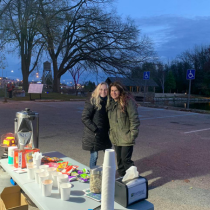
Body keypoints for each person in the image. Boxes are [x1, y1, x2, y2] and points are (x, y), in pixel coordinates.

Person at [107, 81, 140, 177]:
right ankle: (122, 179)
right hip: (116, 138)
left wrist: (132, 135)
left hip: (126, 137)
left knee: (126, 160)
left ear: (120, 91)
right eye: (112, 91)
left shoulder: (128, 102)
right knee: (120, 161)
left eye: (116, 90)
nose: (113, 93)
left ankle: (134, 180)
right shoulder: (112, 103)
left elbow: (134, 119)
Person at [81, 82, 112, 169]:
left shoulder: (108, 101)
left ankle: (107, 174)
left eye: (105, 89)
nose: (103, 91)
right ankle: (93, 175)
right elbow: (85, 118)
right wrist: (95, 129)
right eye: (101, 89)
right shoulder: (92, 101)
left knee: (108, 155)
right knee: (94, 156)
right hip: (94, 135)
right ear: (97, 90)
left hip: (105, 134)